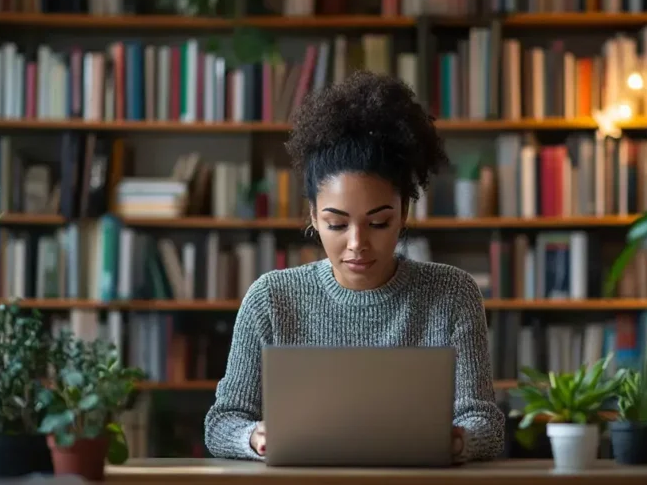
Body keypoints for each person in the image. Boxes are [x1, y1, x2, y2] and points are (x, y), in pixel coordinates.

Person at [204, 70, 505, 463]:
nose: (357, 244)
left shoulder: (451, 294)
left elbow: (485, 421)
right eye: (337, 224)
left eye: (378, 223)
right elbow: (222, 421)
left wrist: (458, 440)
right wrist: (255, 437)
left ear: (404, 212)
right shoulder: (271, 298)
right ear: (312, 215)